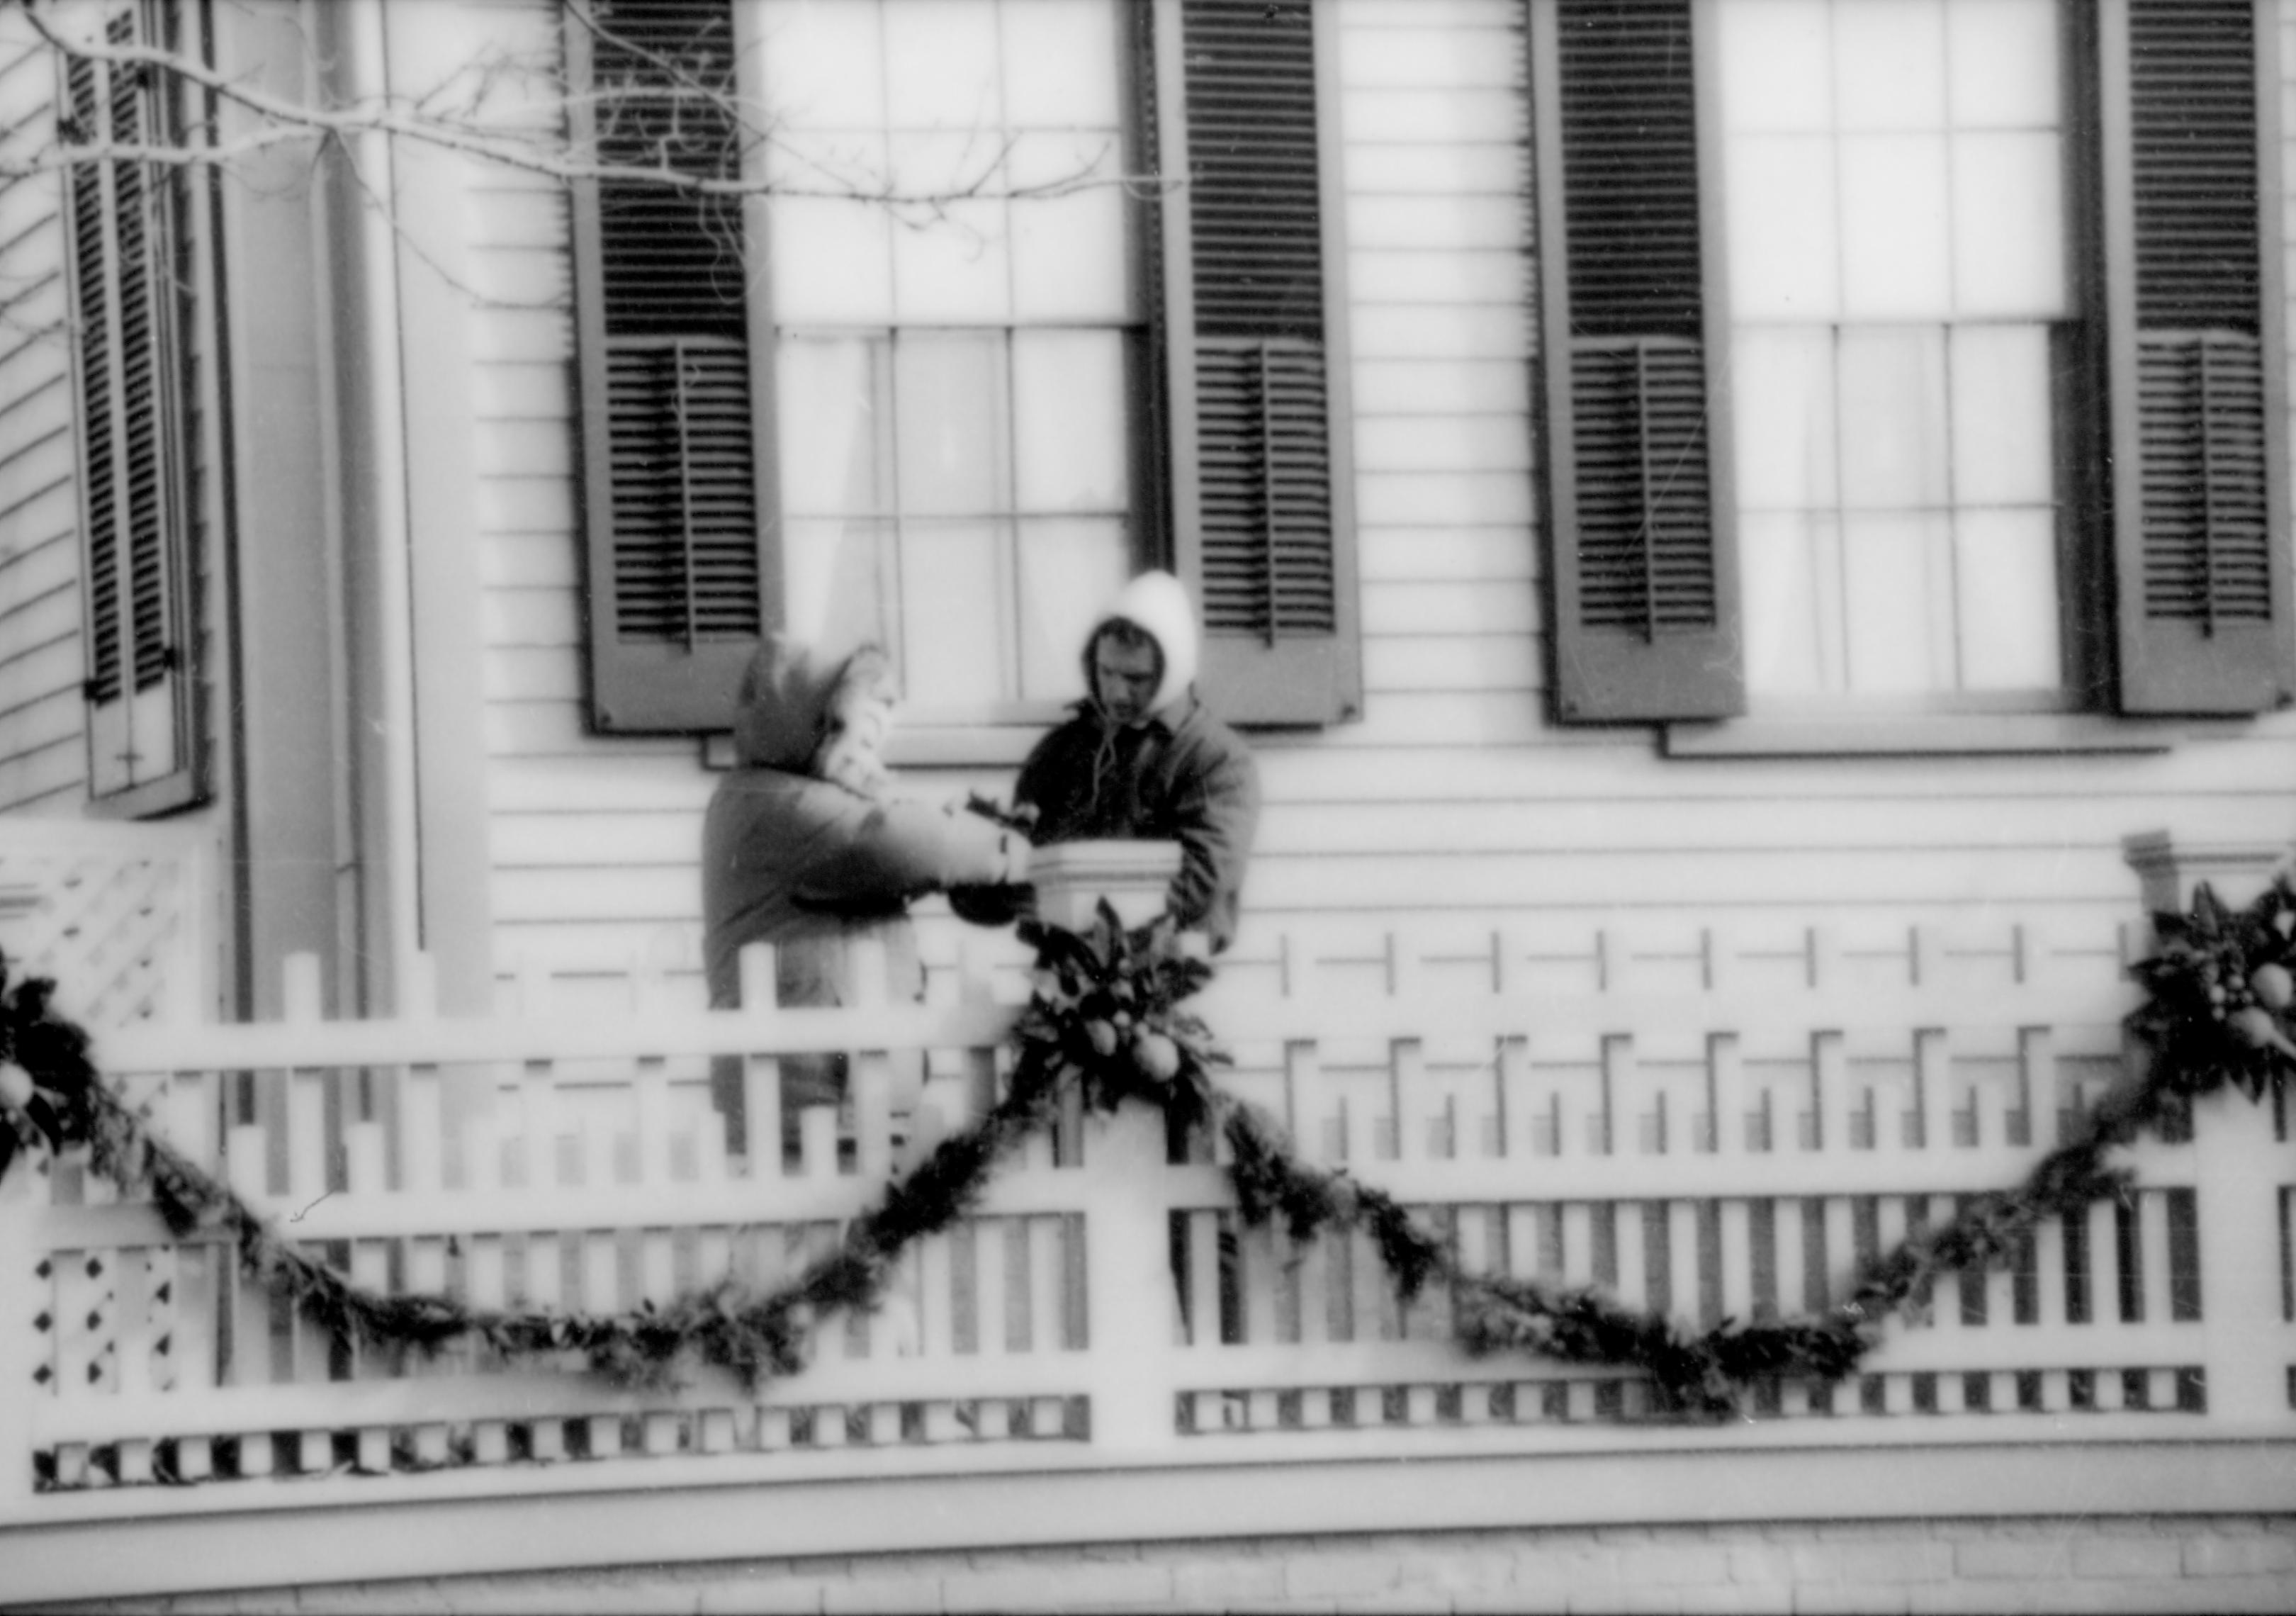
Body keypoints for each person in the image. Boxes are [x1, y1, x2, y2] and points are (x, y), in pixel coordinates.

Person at [702, 636, 1029, 1163]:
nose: (869, 762)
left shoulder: (800, 798)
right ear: (812, 726)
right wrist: (1011, 849)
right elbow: (888, 842)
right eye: (857, 741)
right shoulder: (770, 805)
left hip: (847, 1103)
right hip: (802, 1111)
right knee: (806, 1245)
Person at [964, 571, 1259, 951]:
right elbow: (1003, 894)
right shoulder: (1060, 751)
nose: (1117, 693)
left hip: (1162, 982)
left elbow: (1205, 882)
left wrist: (1086, 918)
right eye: (1107, 672)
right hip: (1061, 985)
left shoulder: (1215, 759)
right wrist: (979, 849)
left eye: (1137, 678)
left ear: (1174, 671)